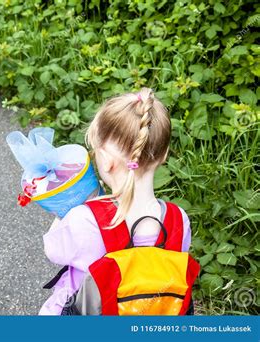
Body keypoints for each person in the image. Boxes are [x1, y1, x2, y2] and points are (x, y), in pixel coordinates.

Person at [39, 87, 192, 315]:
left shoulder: (85, 218)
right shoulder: (179, 219)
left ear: (106, 160)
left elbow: (53, 250)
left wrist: (64, 211)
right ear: (164, 155)